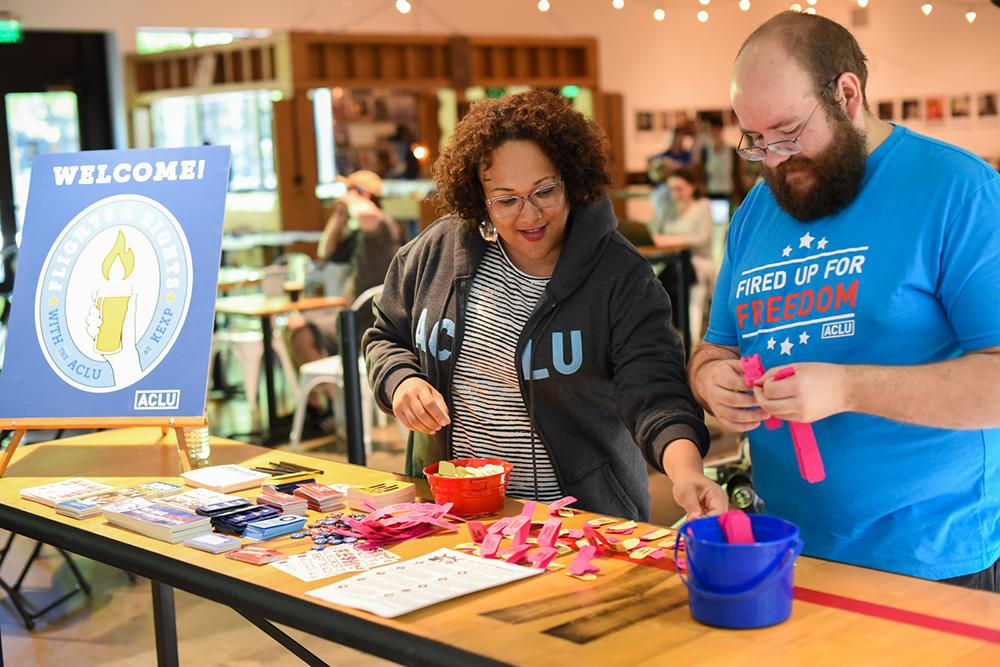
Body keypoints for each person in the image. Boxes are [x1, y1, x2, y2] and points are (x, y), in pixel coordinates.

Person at [690, 11, 1000, 590]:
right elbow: (715, 349)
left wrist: (848, 388)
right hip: (784, 544)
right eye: (755, 141)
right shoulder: (755, 212)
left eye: (788, 132)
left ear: (847, 94)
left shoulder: (959, 190)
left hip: (931, 557)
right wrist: (712, 381)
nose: (774, 158)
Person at [365, 90, 726, 521]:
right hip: (454, 510)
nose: (530, 215)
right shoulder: (437, 252)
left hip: (579, 521)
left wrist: (686, 473)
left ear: (571, 181)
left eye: (545, 191)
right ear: (478, 199)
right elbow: (386, 336)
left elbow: (655, 390)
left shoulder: (619, 275)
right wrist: (401, 382)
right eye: (506, 200)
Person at [290, 170, 403, 370]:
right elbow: (324, 251)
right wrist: (339, 217)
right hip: (352, 314)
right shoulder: (359, 231)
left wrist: (351, 199)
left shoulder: (384, 227)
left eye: (349, 189)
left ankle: (332, 388)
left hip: (370, 320)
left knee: (301, 334)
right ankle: (327, 386)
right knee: (294, 323)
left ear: (363, 194)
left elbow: (367, 214)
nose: (344, 194)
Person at [651, 167, 714, 331]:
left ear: (693, 186)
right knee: (656, 281)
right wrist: (659, 204)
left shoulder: (702, 205)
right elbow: (654, 233)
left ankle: (681, 329)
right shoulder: (668, 208)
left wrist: (670, 240)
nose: (675, 193)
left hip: (697, 261)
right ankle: (671, 327)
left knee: (673, 277)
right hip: (673, 261)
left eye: (679, 189)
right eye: (671, 189)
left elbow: (701, 238)